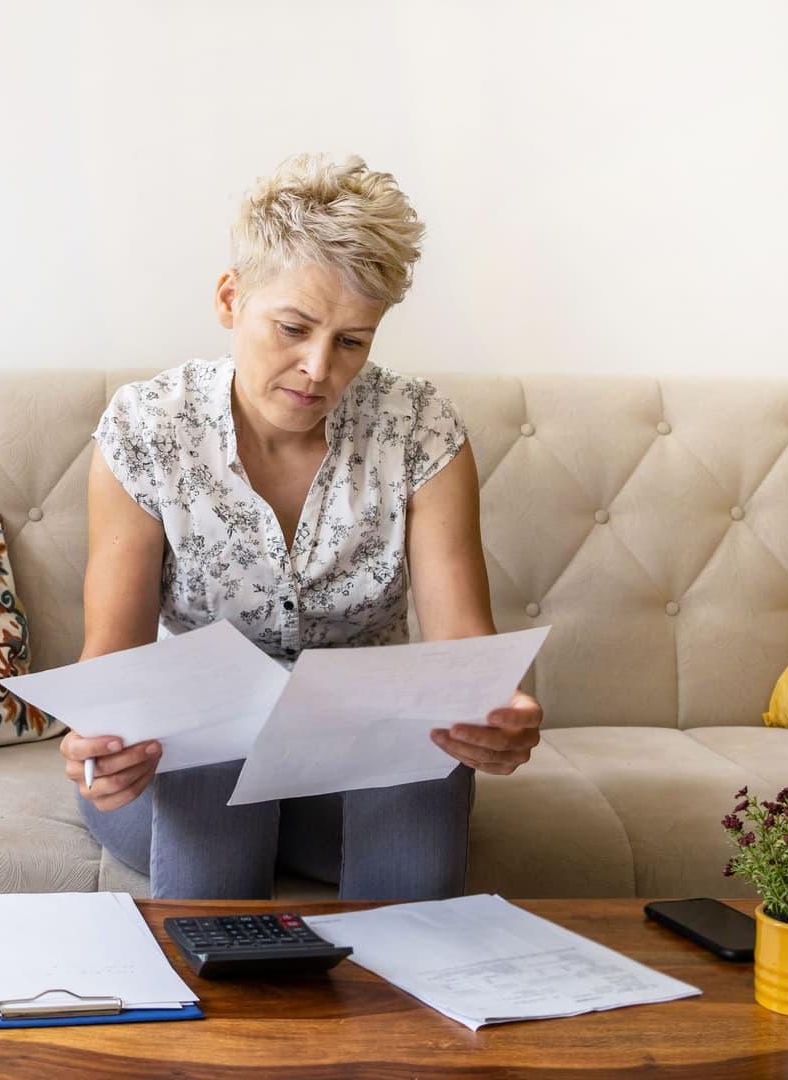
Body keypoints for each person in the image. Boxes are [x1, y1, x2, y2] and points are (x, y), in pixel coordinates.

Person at [63, 153, 545, 901]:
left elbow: (463, 659)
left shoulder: (420, 431)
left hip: (349, 776)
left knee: (424, 772)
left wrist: (494, 721)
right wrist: (99, 743)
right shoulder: (147, 429)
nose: (318, 369)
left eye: (352, 341)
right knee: (212, 763)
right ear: (230, 299)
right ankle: (227, 1011)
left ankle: (411, 1010)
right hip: (181, 774)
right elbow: (113, 674)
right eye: (293, 327)